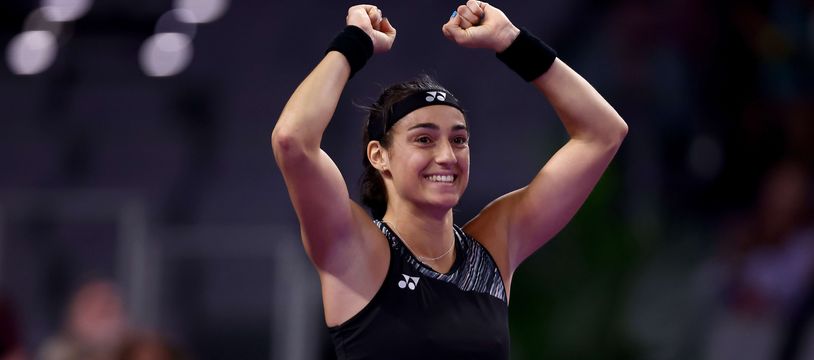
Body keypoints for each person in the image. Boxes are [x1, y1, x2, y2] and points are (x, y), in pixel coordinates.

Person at [271, 2, 628, 359]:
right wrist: (355, 42)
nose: (447, 156)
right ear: (379, 155)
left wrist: (511, 40)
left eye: (458, 140)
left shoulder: (493, 249)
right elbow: (292, 140)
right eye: (424, 139)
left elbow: (604, 132)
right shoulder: (354, 249)